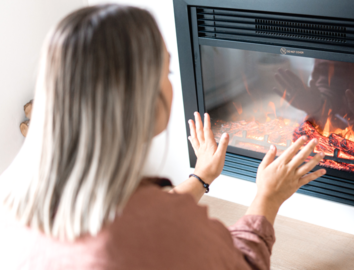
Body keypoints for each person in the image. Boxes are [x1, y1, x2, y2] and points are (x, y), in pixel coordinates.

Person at [0, 4, 326, 270]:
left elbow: (126, 211)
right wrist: (266, 197)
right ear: (144, 98)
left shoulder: (14, 199)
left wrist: (201, 176)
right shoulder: (167, 228)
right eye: (168, 71)